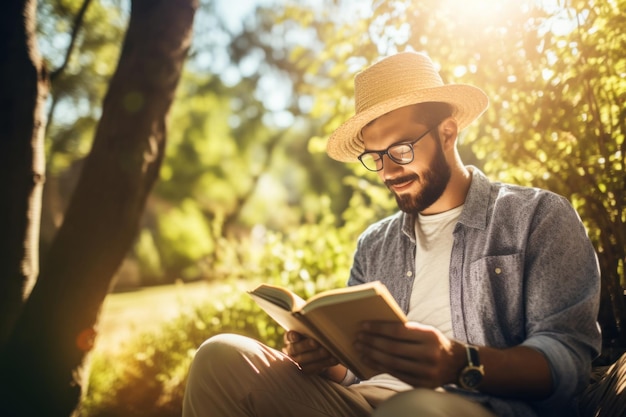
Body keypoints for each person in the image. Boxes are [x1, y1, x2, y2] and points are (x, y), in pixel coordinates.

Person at [182, 51, 601, 417]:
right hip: (364, 405)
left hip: (478, 407)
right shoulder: (375, 245)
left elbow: (566, 360)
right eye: (376, 157)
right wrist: (329, 359)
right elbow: (354, 372)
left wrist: (459, 362)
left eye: (400, 150)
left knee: (411, 408)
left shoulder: (536, 217)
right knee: (219, 358)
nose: (388, 171)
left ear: (448, 133)